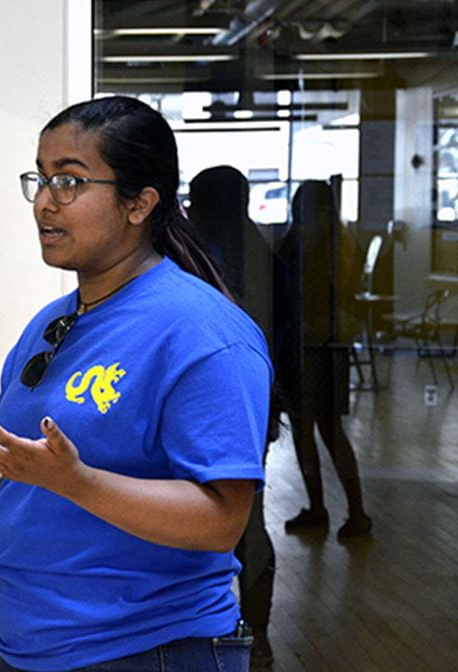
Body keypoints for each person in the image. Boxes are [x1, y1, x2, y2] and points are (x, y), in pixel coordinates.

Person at [0, 96, 270, 672]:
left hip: (147, 649)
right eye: (40, 180)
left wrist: (78, 479)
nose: (44, 201)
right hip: (22, 644)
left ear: (140, 202)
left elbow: (222, 522)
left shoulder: (205, 334)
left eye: (69, 181)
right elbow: (35, 490)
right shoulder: (49, 323)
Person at [188, 165, 288, 669]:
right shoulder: (261, 251)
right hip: (256, 399)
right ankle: (258, 634)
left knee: (218, 519)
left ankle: (240, 633)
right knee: (251, 521)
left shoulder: (195, 257)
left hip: (212, 404)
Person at [274, 180, 371, 540]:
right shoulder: (338, 245)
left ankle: (339, 509)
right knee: (319, 431)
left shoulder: (319, 248)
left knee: (317, 430)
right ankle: (339, 509)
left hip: (314, 348)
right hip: (321, 347)